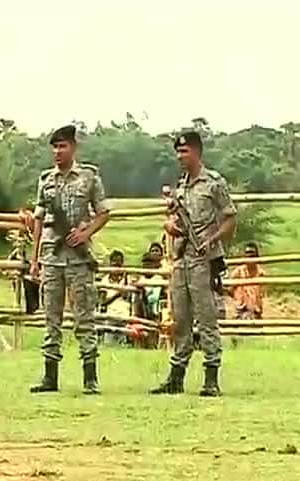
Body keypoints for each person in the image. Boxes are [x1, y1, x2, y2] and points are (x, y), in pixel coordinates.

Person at [151, 131, 237, 397]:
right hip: (181, 259)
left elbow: (230, 218)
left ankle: (211, 377)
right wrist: (171, 226)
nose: (180, 156)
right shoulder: (181, 186)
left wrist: (213, 240)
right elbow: (175, 222)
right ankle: (176, 376)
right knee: (181, 320)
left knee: (207, 319)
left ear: (197, 152)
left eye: (184, 151)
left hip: (203, 260)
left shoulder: (213, 183)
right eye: (178, 152)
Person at [29, 125, 111, 395]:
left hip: (78, 258)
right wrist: (35, 259)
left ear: (73, 147)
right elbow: (39, 220)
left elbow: (102, 213)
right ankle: (50, 376)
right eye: (54, 146)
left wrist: (85, 232)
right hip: (52, 256)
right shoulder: (45, 180)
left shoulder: (88, 177)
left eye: (62, 146)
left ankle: (90, 377)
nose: (57, 152)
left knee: (84, 317)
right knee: (50, 318)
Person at [97, 250, 130, 345]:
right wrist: (118, 293)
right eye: (114, 262)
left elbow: (126, 296)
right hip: (110, 316)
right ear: (110, 263)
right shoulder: (105, 280)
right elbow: (102, 301)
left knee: (122, 345)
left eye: (119, 263)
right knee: (109, 344)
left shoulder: (126, 279)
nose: (116, 265)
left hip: (124, 315)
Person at [229, 242, 266, 320]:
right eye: (247, 254)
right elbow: (230, 290)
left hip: (255, 311)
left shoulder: (261, 273)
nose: (249, 257)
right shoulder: (238, 272)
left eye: (252, 255)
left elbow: (262, 293)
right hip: (241, 309)